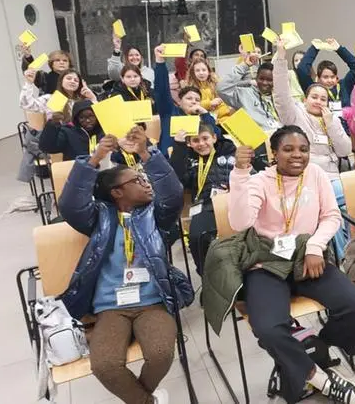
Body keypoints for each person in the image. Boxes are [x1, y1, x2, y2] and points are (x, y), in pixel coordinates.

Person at [221, 127, 355, 404]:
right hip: (267, 263)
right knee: (267, 327)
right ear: (274, 154)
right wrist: (240, 174)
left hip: (306, 257)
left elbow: (331, 216)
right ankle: (319, 377)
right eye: (288, 149)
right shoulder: (259, 181)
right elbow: (239, 224)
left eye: (303, 149)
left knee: (354, 303)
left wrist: (314, 246)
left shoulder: (315, 174)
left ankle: (312, 353)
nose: (297, 155)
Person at [58, 127, 193, 404]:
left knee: (160, 354)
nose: (146, 182)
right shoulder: (99, 218)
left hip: (152, 302)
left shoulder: (155, 215)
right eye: (137, 179)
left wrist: (145, 153)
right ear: (117, 192)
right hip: (110, 307)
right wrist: (95, 159)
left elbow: (172, 194)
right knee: (105, 365)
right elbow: (71, 206)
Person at [273, 40, 353, 256]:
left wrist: (332, 124)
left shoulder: (331, 119)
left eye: (323, 98)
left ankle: (342, 254)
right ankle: (343, 256)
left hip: (334, 177)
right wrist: (281, 58)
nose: (318, 101)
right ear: (305, 99)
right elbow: (280, 95)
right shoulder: (296, 115)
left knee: (343, 206)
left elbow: (345, 150)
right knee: (333, 210)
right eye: (314, 97)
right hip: (307, 178)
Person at [169, 123, 239, 274]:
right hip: (205, 205)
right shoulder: (188, 160)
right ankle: (206, 275)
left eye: (205, 138)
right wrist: (179, 148)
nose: (201, 144)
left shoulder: (231, 153)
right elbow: (175, 179)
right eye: (195, 140)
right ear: (189, 143)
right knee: (197, 237)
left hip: (234, 202)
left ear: (214, 138)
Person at [152, 45, 218, 156]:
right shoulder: (170, 112)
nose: (193, 101)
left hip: (196, 163)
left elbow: (216, 136)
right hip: (170, 162)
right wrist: (160, 62)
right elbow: (162, 90)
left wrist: (205, 114)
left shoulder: (202, 117)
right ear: (180, 101)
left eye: (197, 99)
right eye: (189, 98)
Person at [216, 46, 283, 133]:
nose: (265, 83)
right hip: (259, 140)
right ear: (256, 78)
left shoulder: (281, 97)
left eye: (270, 80)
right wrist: (245, 65)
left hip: (281, 138)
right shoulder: (245, 94)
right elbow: (222, 88)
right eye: (261, 79)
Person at [295, 39, 355, 109]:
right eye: (325, 77)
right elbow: (302, 70)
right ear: (318, 79)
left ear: (336, 77)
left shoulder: (344, 85)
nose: (329, 80)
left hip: (345, 119)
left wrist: (339, 49)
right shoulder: (314, 89)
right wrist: (314, 48)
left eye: (332, 77)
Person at [38, 99, 104, 160]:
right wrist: (52, 125)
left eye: (91, 116)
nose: (87, 120)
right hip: (77, 170)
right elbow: (46, 147)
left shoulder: (105, 131)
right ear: (76, 119)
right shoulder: (67, 132)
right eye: (82, 117)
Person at [21, 68, 96, 119]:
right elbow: (27, 104)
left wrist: (93, 98)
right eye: (69, 78)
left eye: (76, 80)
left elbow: (98, 118)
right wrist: (28, 83)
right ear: (61, 81)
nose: (72, 81)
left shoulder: (82, 101)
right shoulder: (52, 98)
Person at [183, 58, 233, 124]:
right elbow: (190, 107)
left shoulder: (217, 84)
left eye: (204, 70)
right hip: (202, 122)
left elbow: (224, 104)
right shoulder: (190, 89)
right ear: (193, 73)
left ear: (208, 71)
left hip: (221, 119)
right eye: (197, 70)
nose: (201, 73)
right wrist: (210, 103)